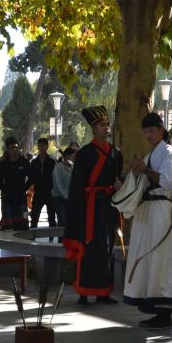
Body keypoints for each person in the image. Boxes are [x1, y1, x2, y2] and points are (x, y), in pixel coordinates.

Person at [123, 113, 172, 329]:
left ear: (161, 130)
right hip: (147, 209)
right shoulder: (150, 155)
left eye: (152, 131)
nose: (148, 135)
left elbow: (169, 182)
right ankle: (153, 306)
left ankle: (164, 311)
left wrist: (146, 169)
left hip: (161, 209)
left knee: (160, 257)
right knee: (148, 258)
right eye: (145, 131)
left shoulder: (170, 153)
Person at [63, 106, 123, 306]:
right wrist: (77, 211)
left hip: (108, 206)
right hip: (89, 207)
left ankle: (103, 292)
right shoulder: (85, 153)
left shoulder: (116, 153)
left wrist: (119, 184)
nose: (106, 128)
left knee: (106, 247)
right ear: (93, 128)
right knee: (88, 247)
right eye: (102, 125)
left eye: (107, 125)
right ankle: (83, 292)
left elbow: (119, 178)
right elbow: (77, 186)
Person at [0, 137, 32, 230]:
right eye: (12, 148)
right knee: (8, 223)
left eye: (16, 147)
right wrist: (5, 190)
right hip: (7, 197)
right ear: (8, 150)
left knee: (24, 221)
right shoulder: (3, 163)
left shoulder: (24, 162)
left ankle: (25, 230)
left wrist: (24, 188)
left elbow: (31, 178)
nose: (14, 150)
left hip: (21, 196)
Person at [29, 138, 57, 228]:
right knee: (34, 217)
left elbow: (55, 177)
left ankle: (52, 235)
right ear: (38, 147)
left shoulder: (52, 161)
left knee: (51, 217)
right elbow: (31, 178)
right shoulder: (34, 162)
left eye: (43, 145)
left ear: (47, 147)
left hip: (50, 192)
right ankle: (32, 234)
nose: (41, 148)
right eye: (40, 145)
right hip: (38, 192)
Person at [51, 146, 75, 227]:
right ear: (67, 157)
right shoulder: (58, 167)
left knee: (70, 221)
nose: (74, 158)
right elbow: (58, 185)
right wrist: (66, 196)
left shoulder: (73, 167)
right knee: (62, 221)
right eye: (73, 156)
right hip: (59, 198)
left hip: (70, 198)